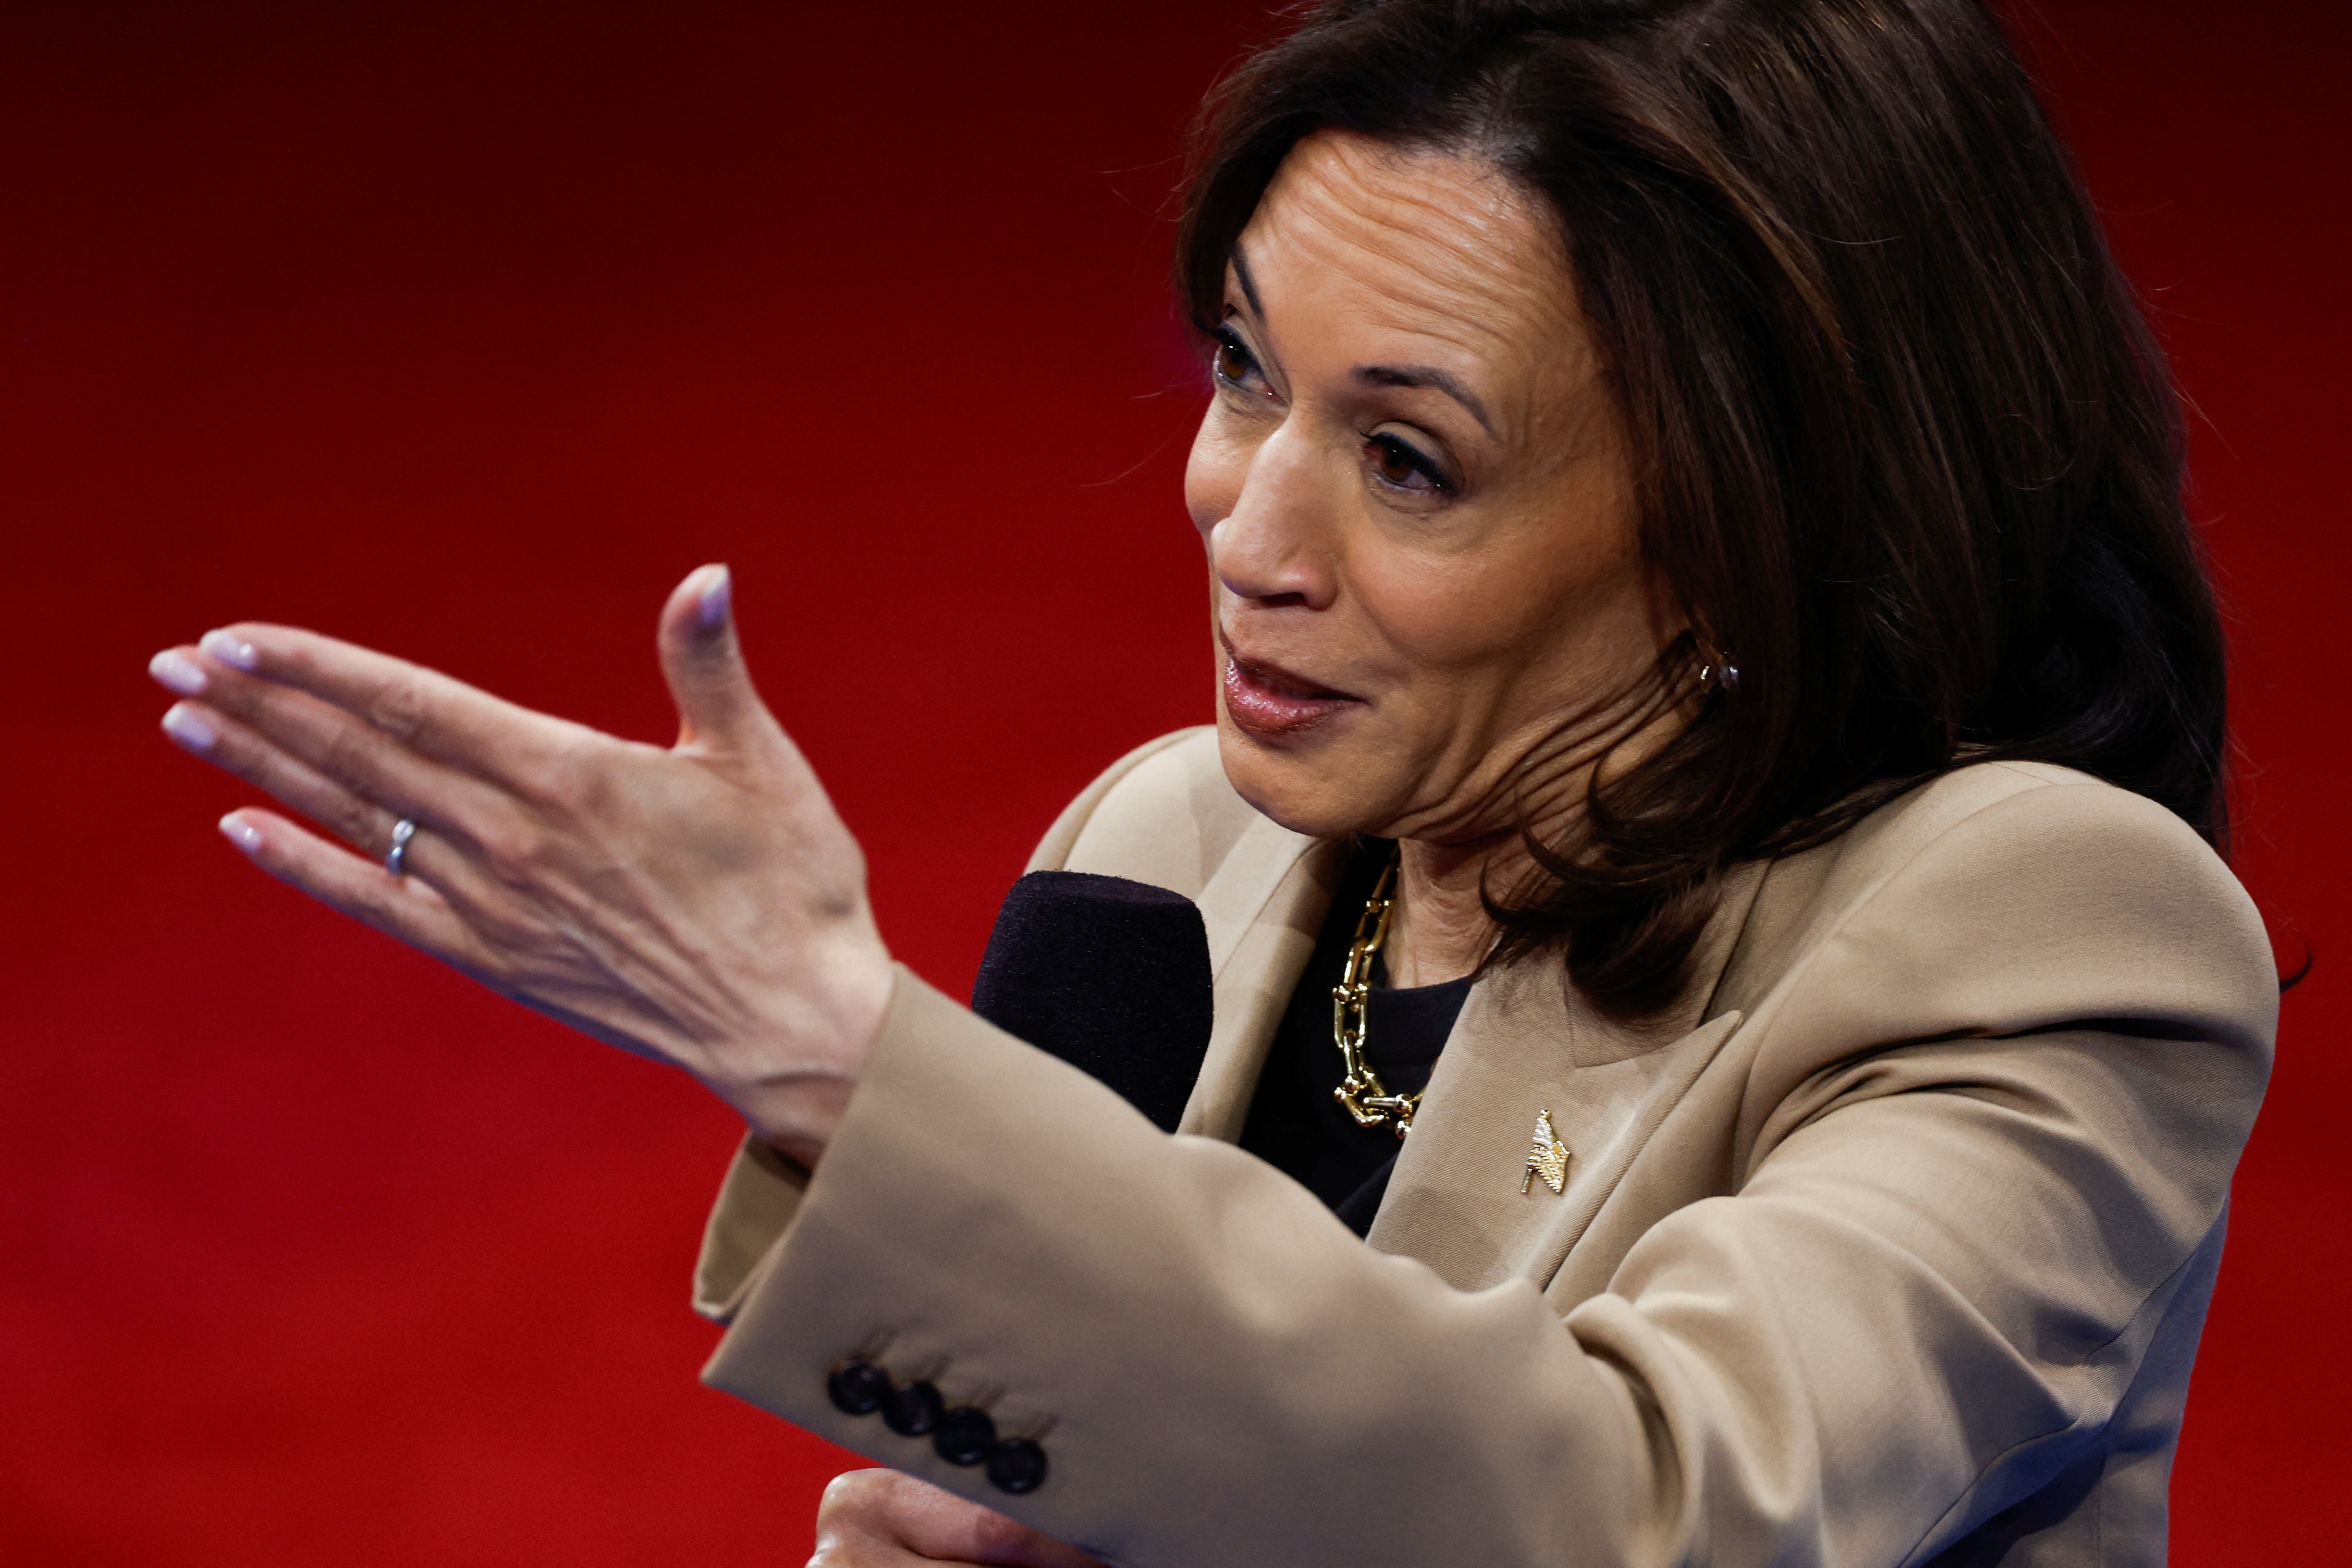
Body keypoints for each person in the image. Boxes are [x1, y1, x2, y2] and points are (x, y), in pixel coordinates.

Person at [145, 1, 2278, 1565]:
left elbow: (1662, 1504)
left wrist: (836, 1056)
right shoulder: (1177, 843)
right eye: (1251, 371)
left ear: (1746, 534)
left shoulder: (2047, 928)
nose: (1243, 523)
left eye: (1409, 459)